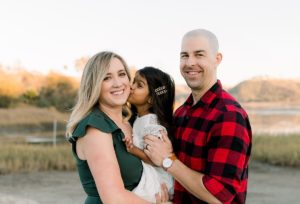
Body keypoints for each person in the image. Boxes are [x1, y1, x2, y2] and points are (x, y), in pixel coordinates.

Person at [144, 29, 252, 204]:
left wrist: (167, 160)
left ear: (217, 59)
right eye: (184, 56)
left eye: (199, 55)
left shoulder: (229, 116)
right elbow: (178, 175)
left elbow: (219, 196)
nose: (190, 62)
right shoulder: (180, 113)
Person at [66, 51, 169, 204]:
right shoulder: (95, 128)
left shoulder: (132, 123)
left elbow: (164, 89)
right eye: (107, 78)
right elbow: (114, 198)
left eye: (122, 74)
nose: (118, 83)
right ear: (94, 85)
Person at [123, 67, 175, 203]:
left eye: (139, 85)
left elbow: (156, 160)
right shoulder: (139, 118)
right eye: (133, 82)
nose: (131, 87)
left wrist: (132, 150)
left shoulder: (151, 124)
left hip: (158, 182)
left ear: (151, 98)